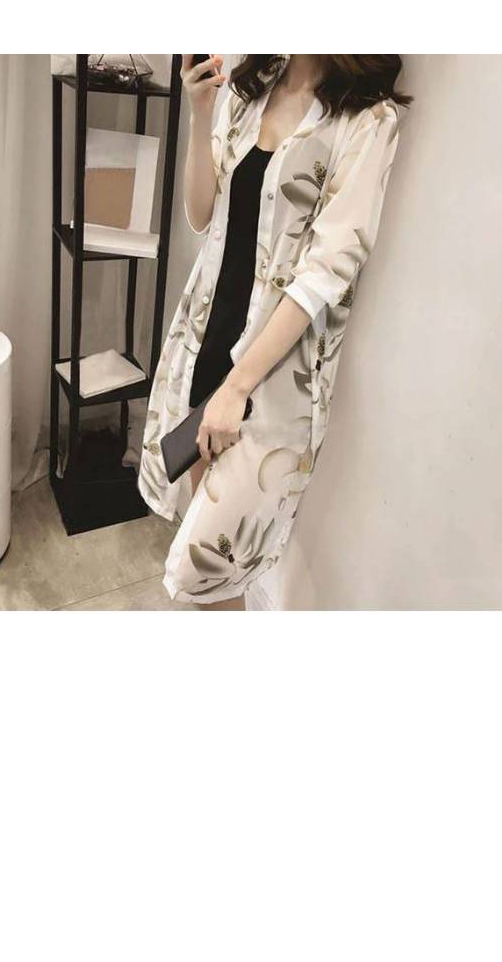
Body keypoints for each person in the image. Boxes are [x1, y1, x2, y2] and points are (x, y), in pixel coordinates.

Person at [137, 55, 410, 609]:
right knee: (213, 572)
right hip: (205, 343)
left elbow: (328, 269)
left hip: (270, 377)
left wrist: (237, 386)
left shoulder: (367, 120)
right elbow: (201, 214)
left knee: (206, 569)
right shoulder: (249, 93)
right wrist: (200, 112)